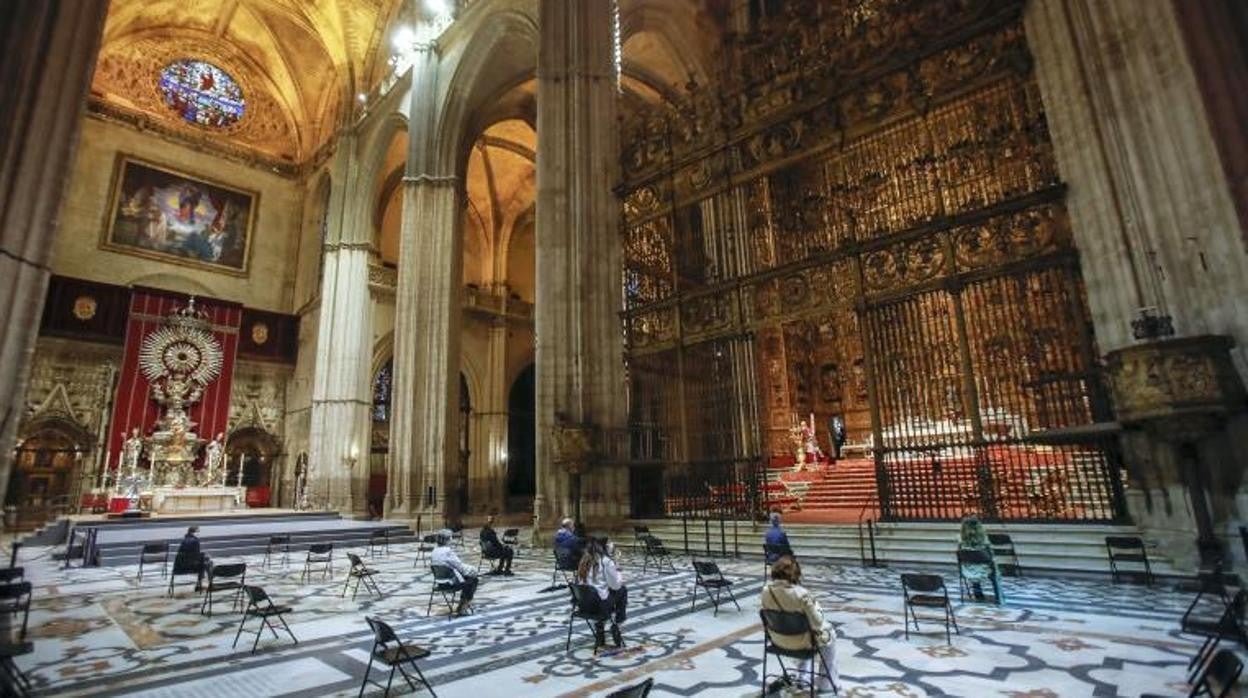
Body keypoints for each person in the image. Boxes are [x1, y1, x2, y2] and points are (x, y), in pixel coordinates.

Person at [761, 556, 838, 694]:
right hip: (802, 643)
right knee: (829, 633)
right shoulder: (801, 594)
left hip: (777, 641)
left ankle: (803, 676)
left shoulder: (766, 591)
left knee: (804, 630)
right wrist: (817, 607)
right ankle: (825, 684)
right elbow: (817, 623)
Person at [576, 538, 628, 648]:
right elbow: (615, 585)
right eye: (608, 543)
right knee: (622, 590)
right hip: (600, 607)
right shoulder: (605, 562)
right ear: (604, 547)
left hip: (584, 606)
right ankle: (618, 625)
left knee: (602, 592)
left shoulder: (584, 560)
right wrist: (617, 569)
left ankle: (600, 628)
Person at [431, 531, 479, 616]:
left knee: (466, 578)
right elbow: (460, 567)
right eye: (450, 538)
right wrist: (473, 570)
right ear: (447, 539)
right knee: (473, 580)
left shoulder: (434, 551)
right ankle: (463, 606)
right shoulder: (448, 551)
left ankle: (462, 605)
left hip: (439, 582)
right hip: (450, 583)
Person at [958, 516, 1003, 603]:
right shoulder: (984, 541)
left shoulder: (960, 541)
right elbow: (991, 555)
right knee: (993, 569)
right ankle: (998, 596)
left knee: (973, 565)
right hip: (984, 571)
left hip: (967, 571)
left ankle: (978, 594)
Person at [173, 526, 207, 591]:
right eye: (198, 532)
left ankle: (201, 584)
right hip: (190, 567)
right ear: (194, 532)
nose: (199, 534)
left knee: (204, 561)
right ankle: (201, 584)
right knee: (206, 563)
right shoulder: (195, 541)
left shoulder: (184, 540)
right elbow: (196, 556)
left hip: (178, 568)